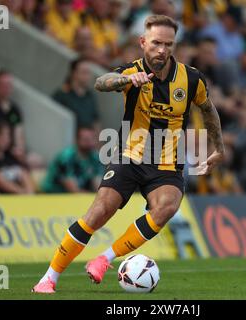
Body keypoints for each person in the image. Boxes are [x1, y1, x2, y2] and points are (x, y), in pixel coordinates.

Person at [32, 14, 224, 293]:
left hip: (166, 162)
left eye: (168, 44)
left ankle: (104, 259)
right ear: (143, 42)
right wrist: (124, 82)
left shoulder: (191, 79)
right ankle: (48, 278)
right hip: (129, 156)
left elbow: (208, 109)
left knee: (167, 207)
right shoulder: (131, 71)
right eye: (156, 43)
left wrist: (218, 147)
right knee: (98, 213)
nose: (162, 50)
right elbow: (102, 81)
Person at [41, 126, 103, 193]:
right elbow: (74, 190)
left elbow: (98, 185)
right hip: (52, 195)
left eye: (92, 139)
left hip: (78, 196)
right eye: (86, 140)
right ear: (76, 140)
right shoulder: (65, 158)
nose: (90, 143)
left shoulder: (95, 157)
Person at [53, 58, 100, 130]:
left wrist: (97, 140)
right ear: (74, 73)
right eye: (84, 72)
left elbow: (96, 122)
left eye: (89, 73)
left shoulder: (90, 95)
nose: (88, 77)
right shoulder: (62, 95)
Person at [0, 122, 34, 194]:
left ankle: (31, 194)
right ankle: (24, 194)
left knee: (24, 173)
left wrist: (22, 159)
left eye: (8, 135)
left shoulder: (10, 155)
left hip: (20, 190)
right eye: (2, 135)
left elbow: (23, 171)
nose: (6, 139)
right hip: (4, 195)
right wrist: (21, 192)